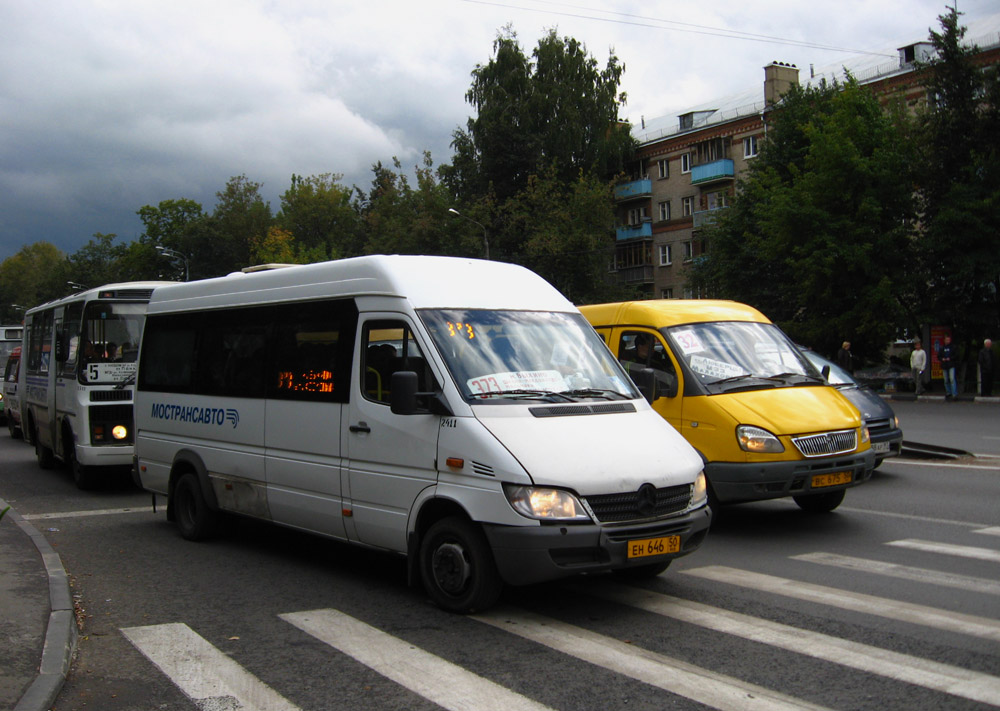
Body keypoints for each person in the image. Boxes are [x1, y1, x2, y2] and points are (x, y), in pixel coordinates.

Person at [939, 334, 958, 398]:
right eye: (946, 340)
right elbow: (939, 356)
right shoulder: (942, 348)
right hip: (944, 365)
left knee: (952, 379)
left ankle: (954, 393)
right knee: (946, 380)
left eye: (949, 340)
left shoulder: (953, 347)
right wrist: (942, 359)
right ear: (944, 340)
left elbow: (956, 355)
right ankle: (948, 392)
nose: (947, 341)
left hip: (951, 365)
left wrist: (950, 358)